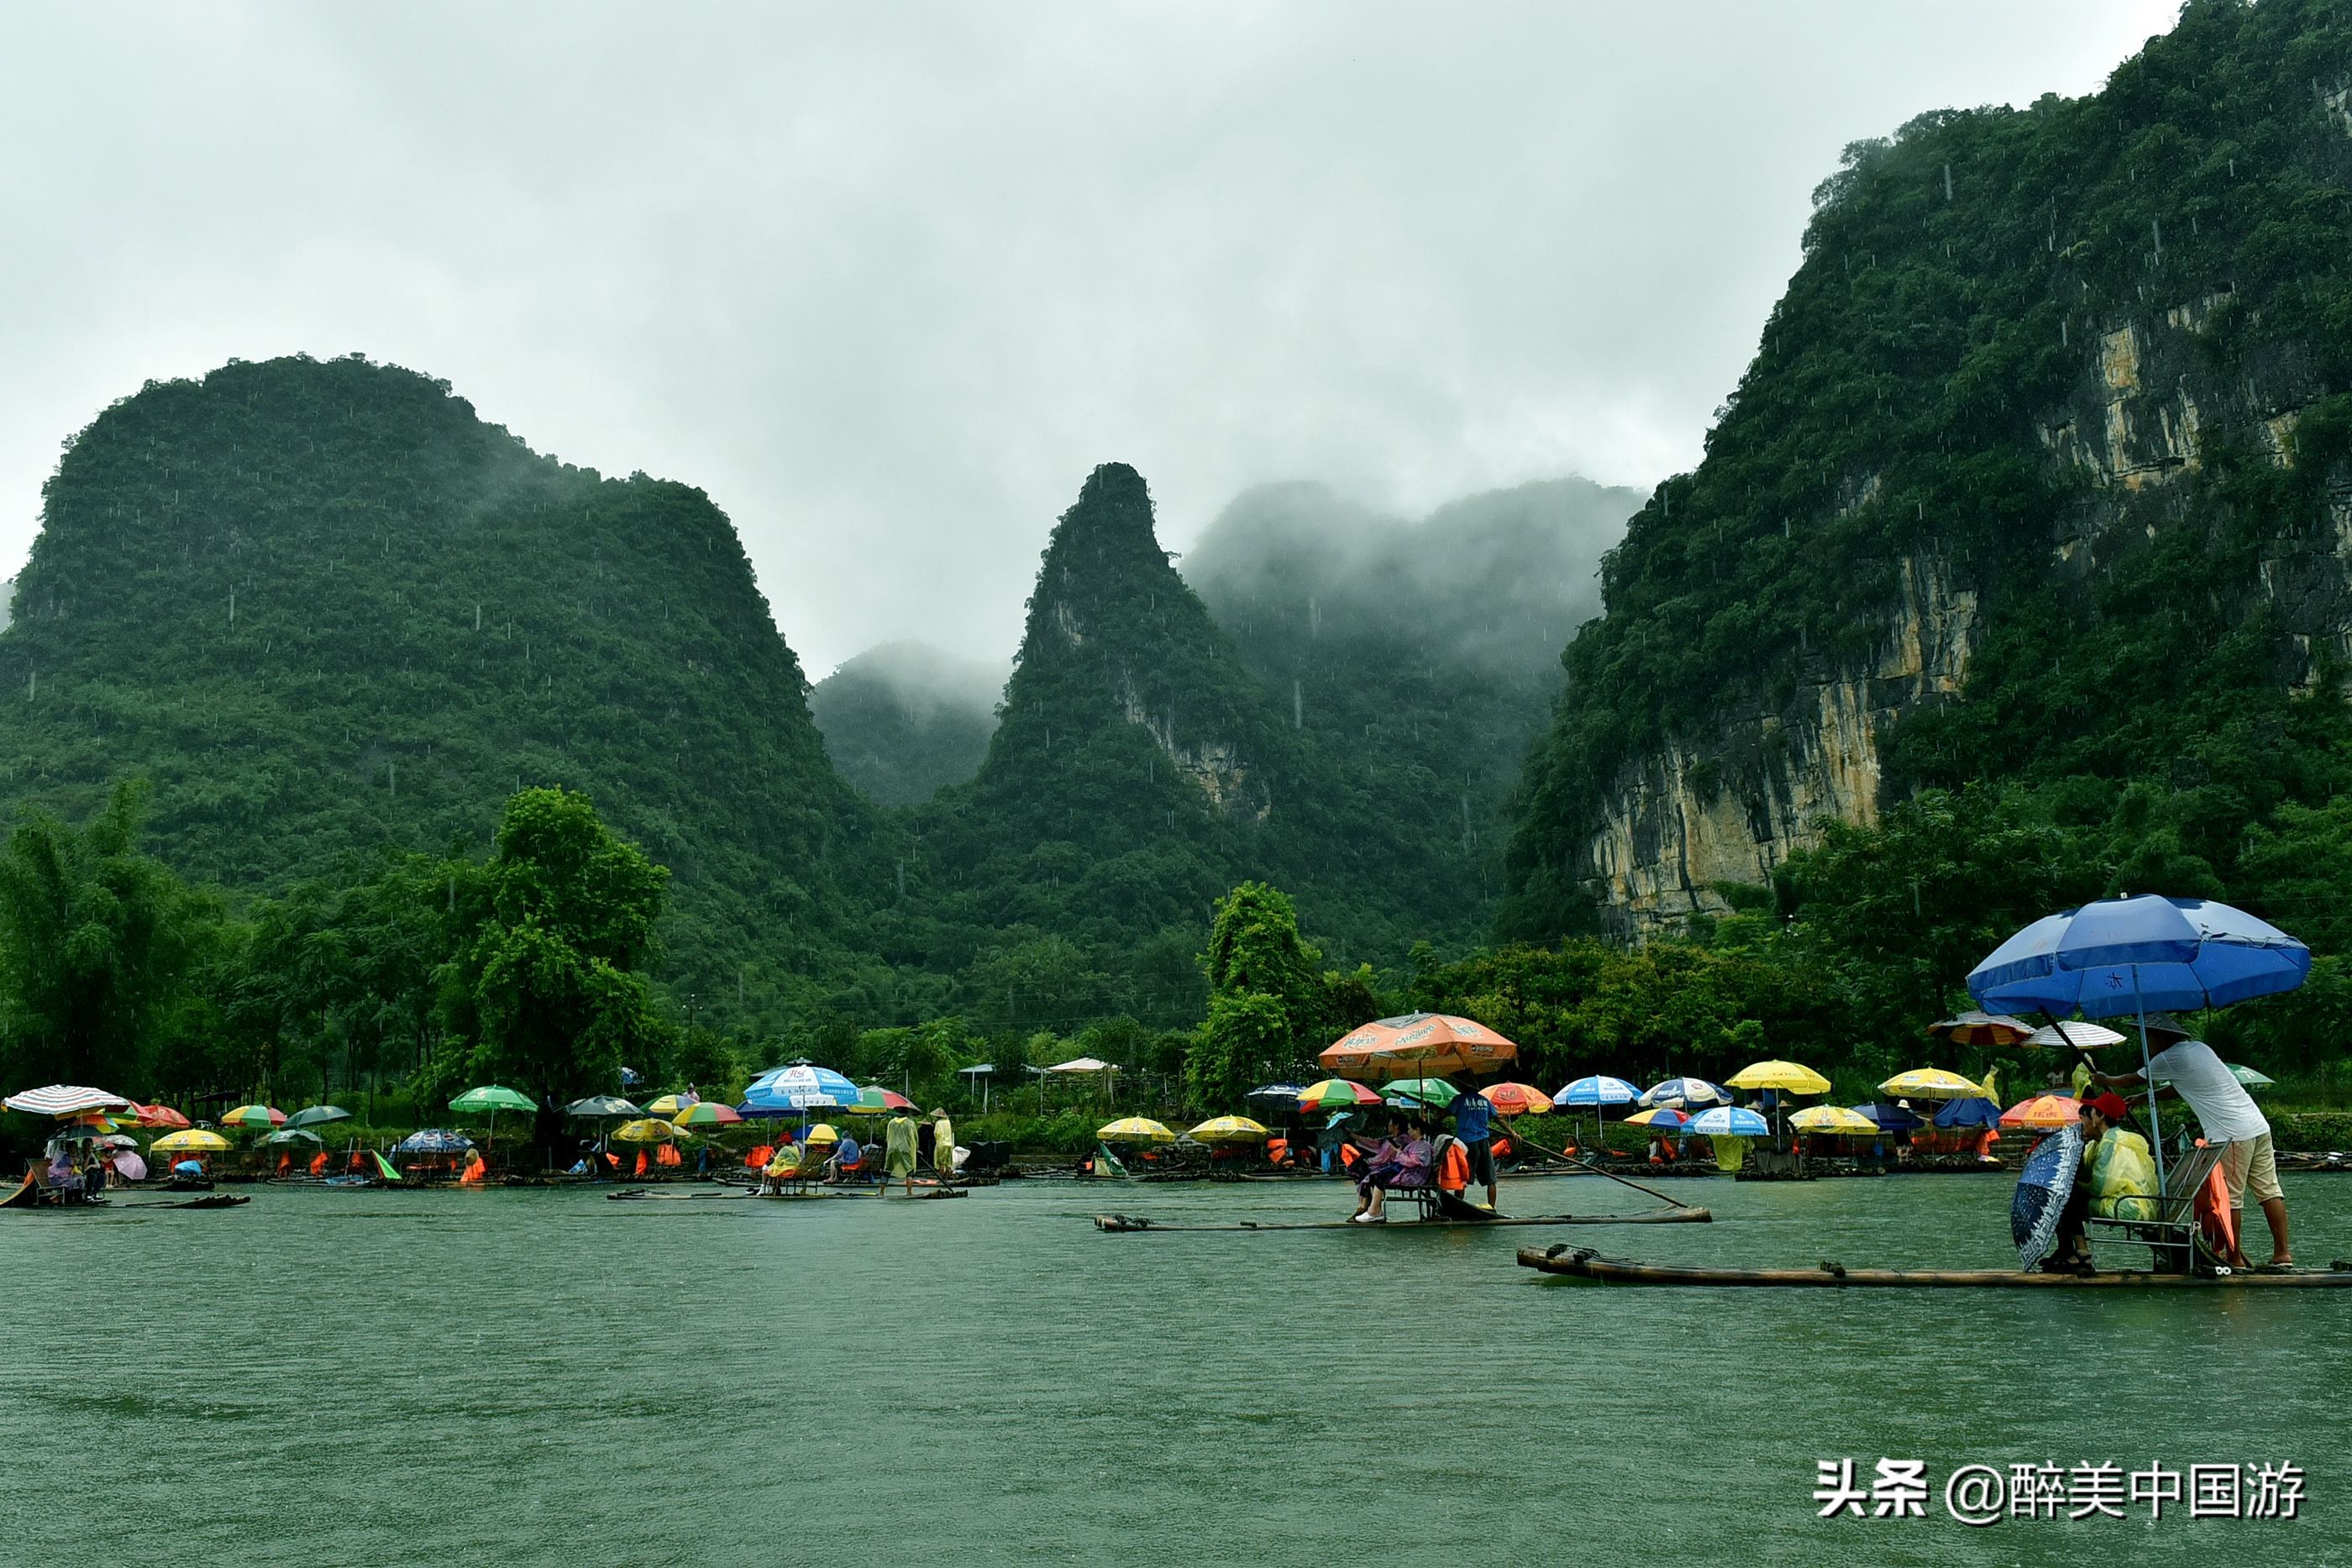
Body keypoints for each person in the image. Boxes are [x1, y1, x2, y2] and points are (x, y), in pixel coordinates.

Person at [2096, 1014, 2290, 1269]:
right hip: (2257, 1126)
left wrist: (2105, 1080)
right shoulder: (2199, 1049)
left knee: (2230, 1199)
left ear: (2161, 1038)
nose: (2147, 1044)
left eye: (2148, 1038)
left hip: (2231, 1134)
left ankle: (2234, 1258)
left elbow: (2131, 1079)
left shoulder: (2167, 1058)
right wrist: (2144, 1098)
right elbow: (2179, 1087)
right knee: (2269, 1191)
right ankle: (2282, 1254)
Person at [1445, 1082, 1500, 1211]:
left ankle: (1457, 1208)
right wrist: (1512, 1132)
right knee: (1491, 1179)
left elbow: (1445, 1113)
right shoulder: (1484, 1101)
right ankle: (1492, 1208)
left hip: (1466, 1143)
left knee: (1461, 1178)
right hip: (1483, 1141)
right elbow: (1499, 1118)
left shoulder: (1459, 1100)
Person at [882, 1111, 919, 1197]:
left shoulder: (891, 1123)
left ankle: (881, 1192)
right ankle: (909, 1192)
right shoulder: (910, 1123)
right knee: (910, 1170)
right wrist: (916, 1148)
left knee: (887, 1170)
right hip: (905, 1149)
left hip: (892, 1148)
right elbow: (914, 1137)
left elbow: (888, 1136)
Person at [930, 1108, 956, 1183]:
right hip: (949, 1144)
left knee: (941, 1162)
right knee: (947, 1162)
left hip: (942, 1144)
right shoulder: (948, 1121)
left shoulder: (938, 1123)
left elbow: (936, 1133)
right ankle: (946, 1179)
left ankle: (940, 1179)